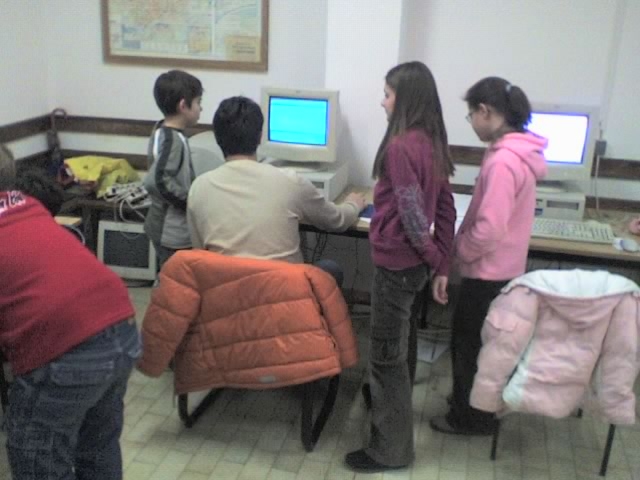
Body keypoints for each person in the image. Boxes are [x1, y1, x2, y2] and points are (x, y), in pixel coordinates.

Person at [0, 144, 141, 480]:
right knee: (97, 447)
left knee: (38, 456)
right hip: (120, 324)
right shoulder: (26, 205)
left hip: (65, 344)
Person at [344, 61, 456, 473]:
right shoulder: (432, 141)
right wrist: (441, 264)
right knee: (399, 350)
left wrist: (434, 259)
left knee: (386, 359)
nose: (382, 101)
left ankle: (389, 451)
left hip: (398, 267)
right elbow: (445, 209)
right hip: (414, 267)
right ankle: (390, 421)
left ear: (405, 98)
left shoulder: (401, 146)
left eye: (388, 94)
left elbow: (411, 216)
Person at [429, 76, 548, 436]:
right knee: (486, 346)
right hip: (505, 270)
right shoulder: (518, 153)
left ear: (485, 111)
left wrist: (459, 253)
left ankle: (469, 418)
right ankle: (475, 407)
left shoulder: (502, 162)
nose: (472, 123)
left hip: (487, 273)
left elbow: (490, 228)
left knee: (468, 345)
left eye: (471, 116)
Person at [187, 95, 366, 283]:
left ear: (217, 138)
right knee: (330, 268)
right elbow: (336, 220)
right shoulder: (290, 181)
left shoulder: (199, 187)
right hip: (283, 292)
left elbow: (200, 254)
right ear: (260, 136)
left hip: (225, 293)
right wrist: (353, 205)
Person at [144, 69, 203, 268]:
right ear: (183, 106)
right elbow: (157, 181)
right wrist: (189, 202)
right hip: (171, 230)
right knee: (174, 278)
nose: (201, 108)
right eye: (198, 102)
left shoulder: (163, 130)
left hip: (167, 227)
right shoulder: (172, 140)